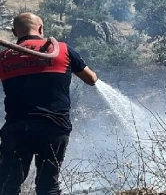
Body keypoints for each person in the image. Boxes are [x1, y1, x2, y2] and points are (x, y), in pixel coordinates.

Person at [0, 12, 98, 194]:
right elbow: (91, 79)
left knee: (8, 185)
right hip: (54, 128)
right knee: (48, 186)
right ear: (41, 28)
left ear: (14, 32)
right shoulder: (62, 49)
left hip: (17, 130)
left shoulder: (4, 57)